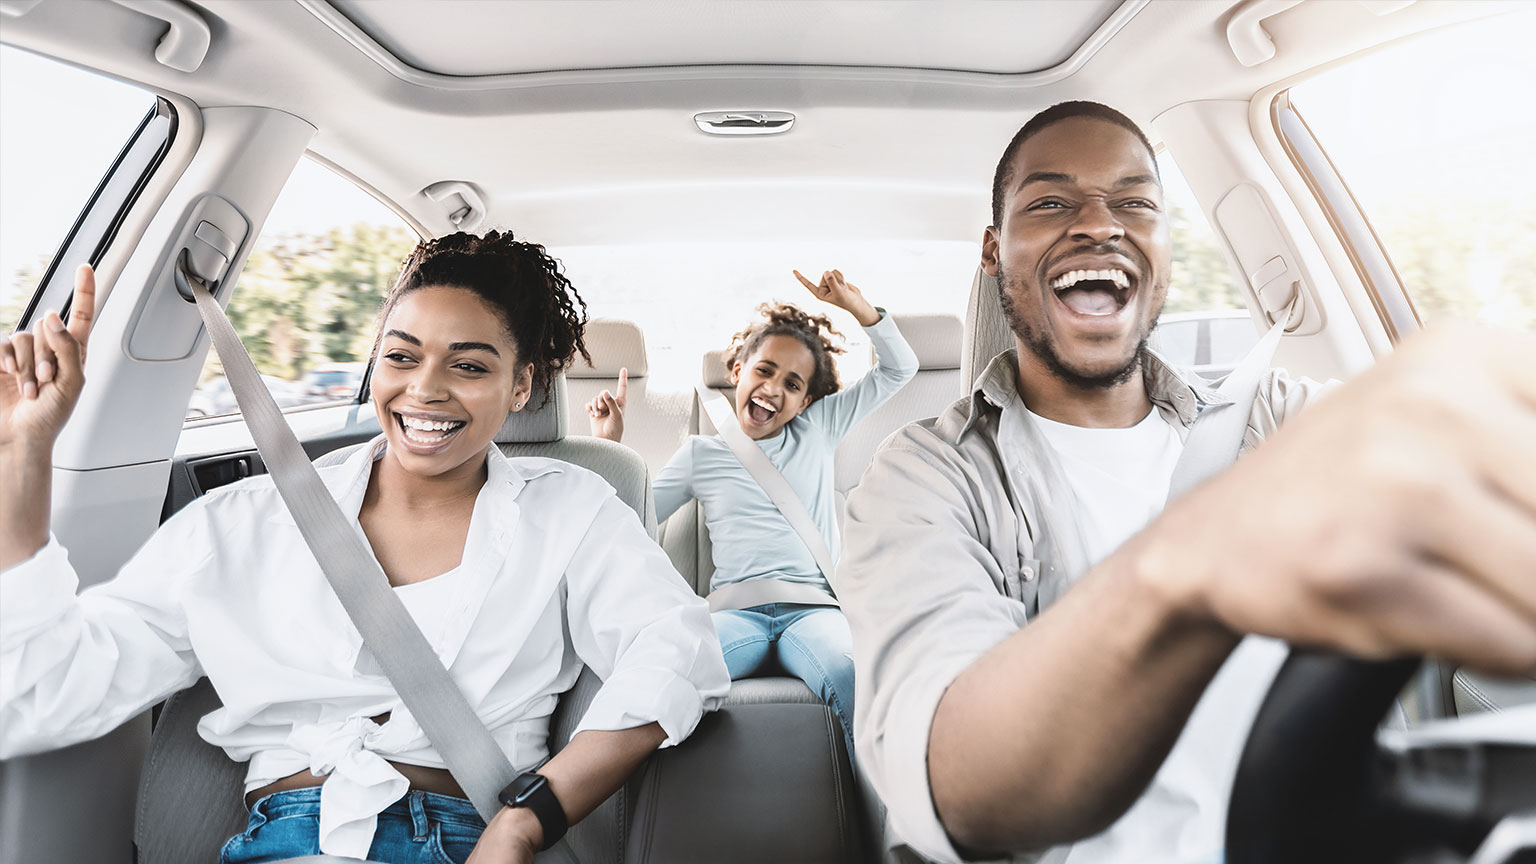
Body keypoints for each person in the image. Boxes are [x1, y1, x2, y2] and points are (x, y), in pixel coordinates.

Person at [837, 101, 1536, 863]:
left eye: (1136, 202)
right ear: (994, 251)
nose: (1099, 224)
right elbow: (954, 783)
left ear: (1165, 244)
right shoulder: (925, 478)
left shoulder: (1279, 421)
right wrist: (1190, 565)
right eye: (1050, 202)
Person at [0, 231, 731, 864]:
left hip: (464, 837)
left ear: (522, 387)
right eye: (401, 357)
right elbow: (39, 691)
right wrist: (25, 455)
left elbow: (679, 650)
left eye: (469, 366)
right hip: (277, 839)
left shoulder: (571, 508)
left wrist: (524, 822)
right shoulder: (240, 524)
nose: (426, 389)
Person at [587, 269, 918, 756]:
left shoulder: (819, 428)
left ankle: (897, 817)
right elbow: (635, 523)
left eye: (792, 384)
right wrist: (608, 448)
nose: (773, 389)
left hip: (814, 612)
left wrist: (858, 308)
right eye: (764, 371)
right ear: (738, 371)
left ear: (807, 400)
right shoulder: (702, 452)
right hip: (733, 614)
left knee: (854, 675)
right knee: (662, 676)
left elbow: (899, 369)